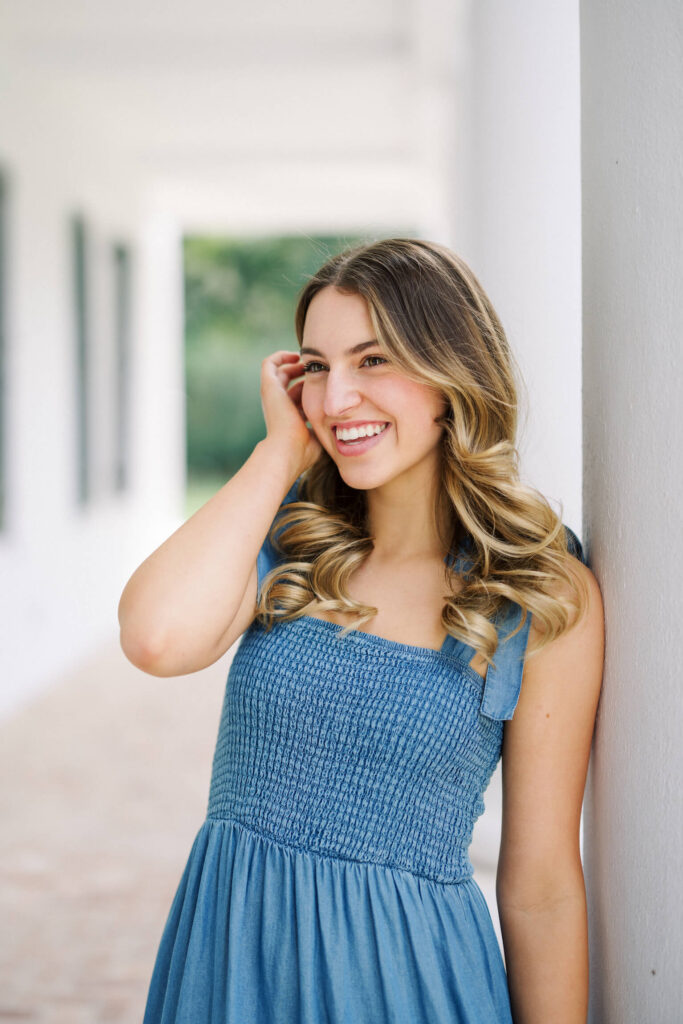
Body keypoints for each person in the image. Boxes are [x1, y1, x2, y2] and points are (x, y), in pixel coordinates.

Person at [119, 237, 605, 1023]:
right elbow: (156, 639)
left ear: (452, 377)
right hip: (229, 966)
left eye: (373, 360)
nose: (336, 398)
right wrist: (277, 452)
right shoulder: (290, 542)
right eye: (315, 366)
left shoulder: (536, 595)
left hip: (403, 981)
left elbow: (541, 884)